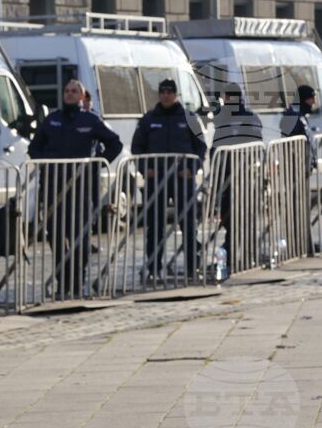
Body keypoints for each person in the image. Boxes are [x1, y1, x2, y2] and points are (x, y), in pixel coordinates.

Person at [29, 79, 122, 298]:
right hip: (53, 188)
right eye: (67, 91)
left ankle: (78, 282)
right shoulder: (52, 120)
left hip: (82, 190)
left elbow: (115, 144)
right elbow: (35, 147)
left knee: (80, 237)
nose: (69, 94)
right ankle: (63, 283)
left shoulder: (90, 120)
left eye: (74, 91)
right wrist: (47, 162)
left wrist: (96, 164)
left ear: (82, 97)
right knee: (57, 237)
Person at [131, 78, 209, 280]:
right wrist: (144, 169)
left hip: (183, 179)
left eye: (169, 92)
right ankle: (153, 269)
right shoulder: (149, 119)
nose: (165, 95)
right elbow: (137, 148)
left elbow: (200, 146)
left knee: (188, 225)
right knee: (155, 227)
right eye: (162, 91)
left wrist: (193, 168)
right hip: (156, 180)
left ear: (175, 95)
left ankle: (193, 267)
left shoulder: (189, 117)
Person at [211, 85, 263, 273]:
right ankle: (233, 255)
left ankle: (244, 257)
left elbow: (255, 145)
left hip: (245, 180)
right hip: (226, 180)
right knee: (229, 220)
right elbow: (216, 146)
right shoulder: (222, 119)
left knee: (244, 220)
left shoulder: (248, 118)